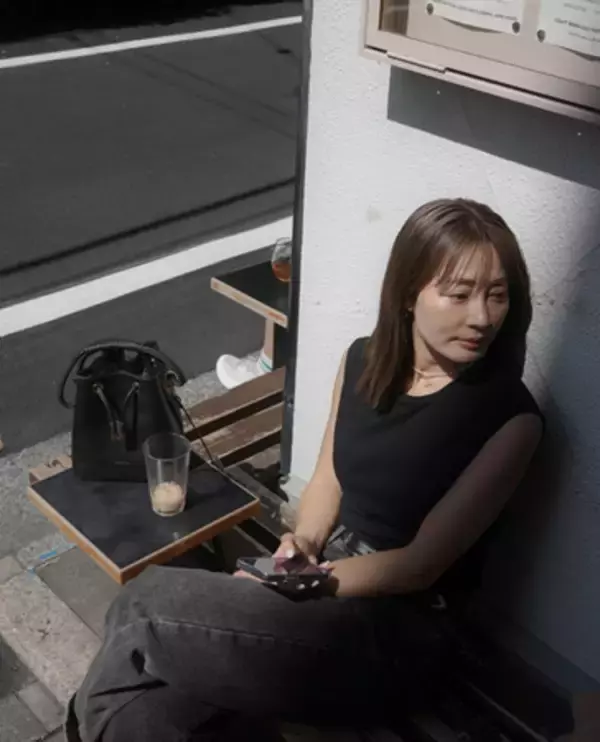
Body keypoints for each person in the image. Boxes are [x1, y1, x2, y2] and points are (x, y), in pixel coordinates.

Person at [67, 199, 543, 742]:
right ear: (409, 293)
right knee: (149, 707)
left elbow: (419, 567)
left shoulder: (510, 419)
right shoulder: (363, 360)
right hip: (323, 588)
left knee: (144, 610)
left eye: (497, 295)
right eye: (459, 294)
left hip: (398, 633)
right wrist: (304, 542)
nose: (482, 316)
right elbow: (328, 480)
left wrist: (305, 583)